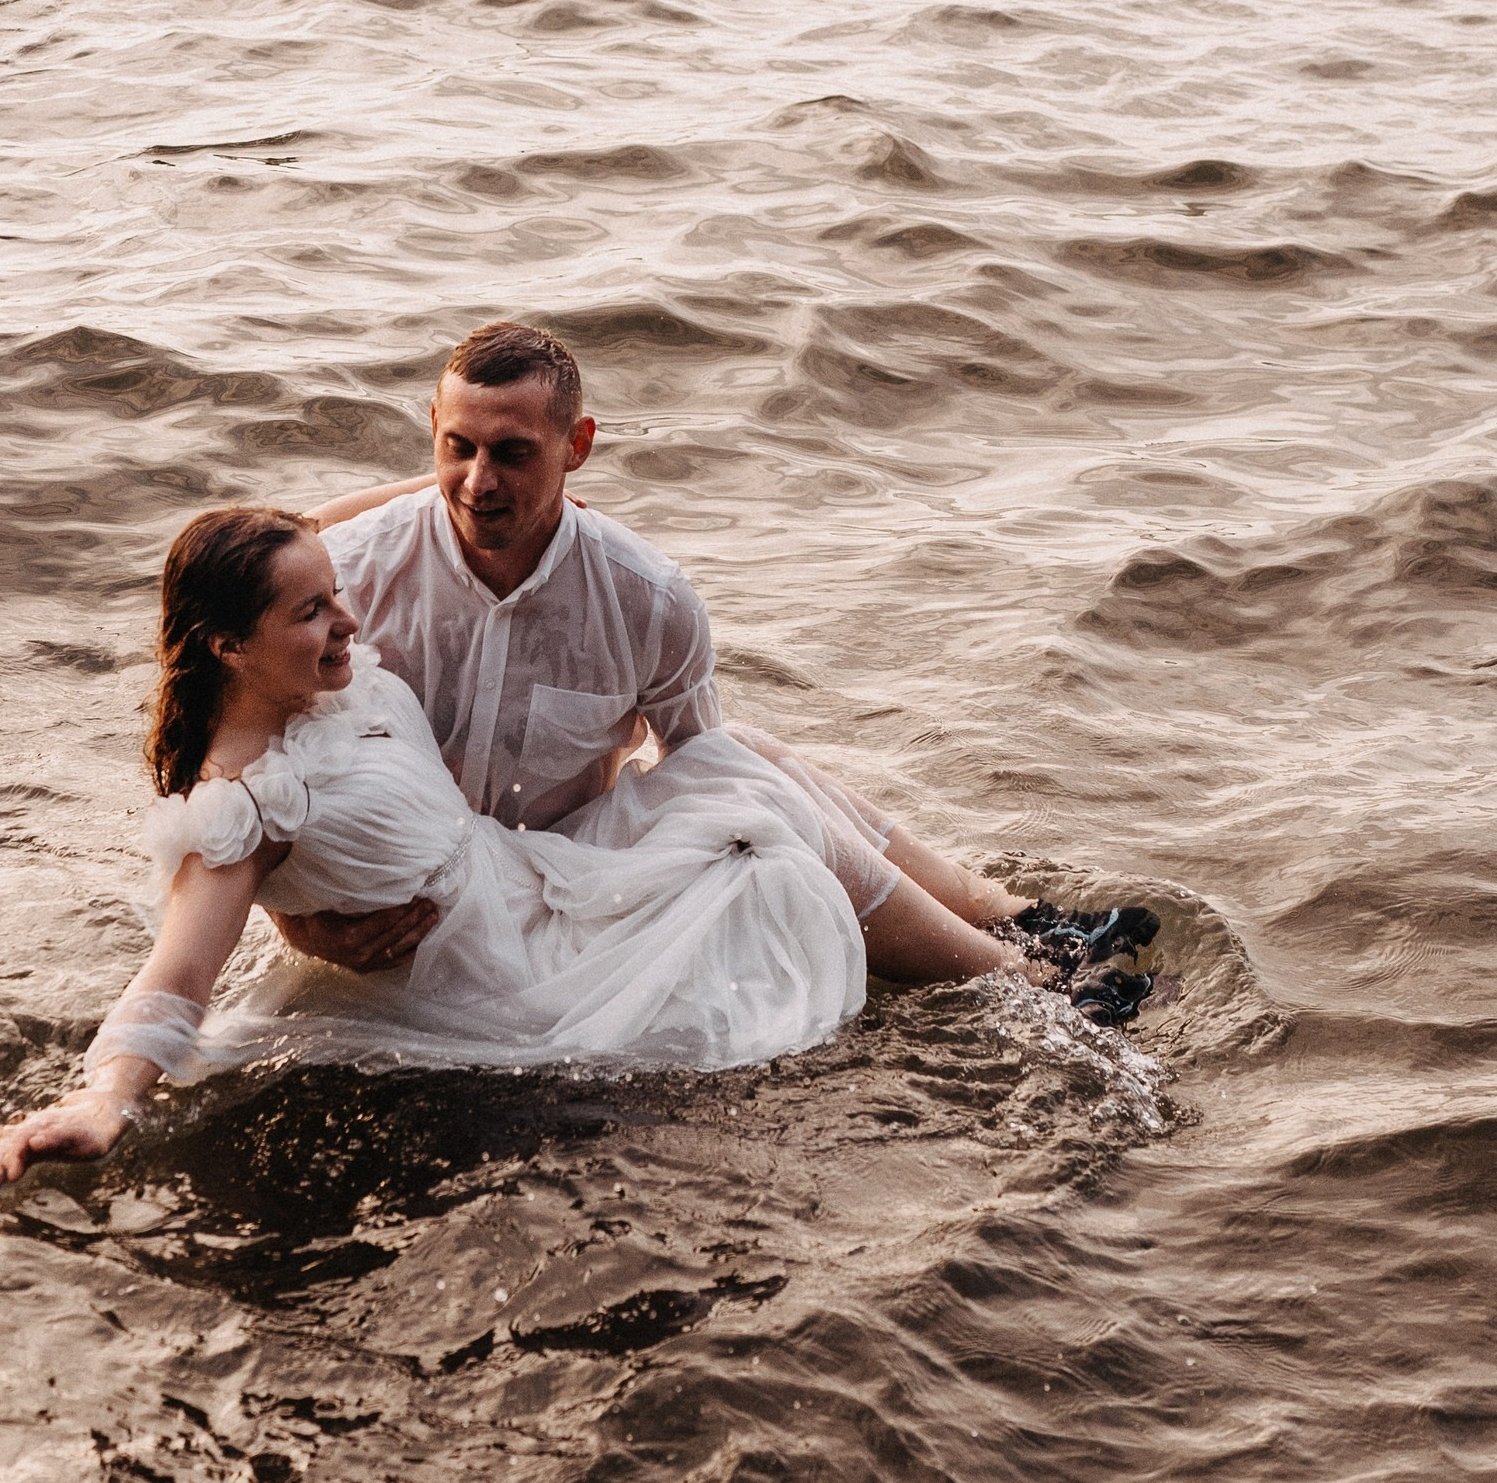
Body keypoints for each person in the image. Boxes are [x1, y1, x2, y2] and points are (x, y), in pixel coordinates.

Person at [0, 508, 1061, 1186]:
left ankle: (998, 913)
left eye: (337, 596)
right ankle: (1017, 978)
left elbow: (309, 536)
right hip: (514, 966)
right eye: (312, 613)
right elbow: (177, 968)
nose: (346, 623)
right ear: (230, 645)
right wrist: (105, 1100)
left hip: (524, 872)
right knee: (757, 829)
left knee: (743, 756)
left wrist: (503, 494)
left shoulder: (307, 678)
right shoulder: (242, 809)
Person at [274, 320, 1033, 985]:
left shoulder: (647, 596)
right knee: (754, 776)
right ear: (433, 424)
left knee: (745, 762)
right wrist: (299, 926)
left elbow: (703, 765)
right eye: (457, 448)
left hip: (573, 875)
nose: (479, 483)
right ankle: (1009, 965)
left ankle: (1005, 922)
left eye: (512, 454)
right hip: (422, 909)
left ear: (578, 446)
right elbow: (242, 750)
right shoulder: (350, 575)